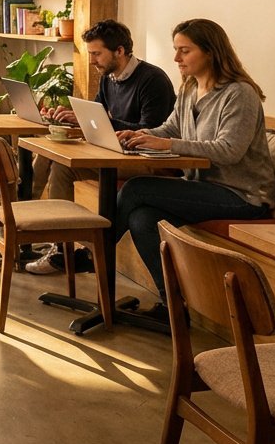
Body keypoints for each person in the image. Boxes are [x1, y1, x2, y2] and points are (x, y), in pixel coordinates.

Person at [114, 18, 275, 323]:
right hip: (203, 190)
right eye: (176, 50)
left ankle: (97, 249)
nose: (176, 58)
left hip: (243, 197)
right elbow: (171, 127)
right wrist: (142, 135)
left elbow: (229, 150)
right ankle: (173, 307)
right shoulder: (189, 88)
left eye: (184, 51)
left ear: (211, 52)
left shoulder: (239, 94)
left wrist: (166, 145)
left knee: (136, 188)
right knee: (141, 218)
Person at [26, 19, 177, 275]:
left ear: (120, 51)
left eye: (97, 54)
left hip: (148, 162)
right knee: (59, 164)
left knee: (59, 162)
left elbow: (149, 131)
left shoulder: (153, 80)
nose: (93, 60)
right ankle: (57, 247)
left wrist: (98, 121)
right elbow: (96, 116)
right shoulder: (109, 78)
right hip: (114, 155)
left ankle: (65, 248)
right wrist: (71, 116)